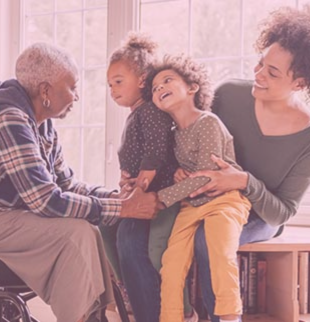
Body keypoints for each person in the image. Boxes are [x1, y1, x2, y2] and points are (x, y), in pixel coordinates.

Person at [117, 4, 310, 322]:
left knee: (209, 241)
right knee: (131, 230)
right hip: (196, 195)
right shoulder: (228, 94)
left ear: (299, 83)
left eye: (272, 73)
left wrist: (242, 181)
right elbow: (183, 130)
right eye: (260, 64)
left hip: (256, 212)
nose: (258, 75)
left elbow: (282, 210)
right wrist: (166, 169)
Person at [0, 42, 162, 322]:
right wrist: (125, 210)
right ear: (45, 91)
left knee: (86, 229)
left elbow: (65, 185)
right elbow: (45, 200)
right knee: (74, 233)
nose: (76, 97)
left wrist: (116, 198)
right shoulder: (7, 118)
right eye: (72, 87)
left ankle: (95, 316)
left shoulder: (42, 124)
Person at [148, 54, 252, 322]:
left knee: (220, 253)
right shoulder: (172, 134)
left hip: (224, 200)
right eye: (155, 87)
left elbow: (206, 177)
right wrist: (174, 172)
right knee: (170, 266)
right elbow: (178, 171)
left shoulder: (207, 122)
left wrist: (159, 199)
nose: (159, 88)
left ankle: (230, 317)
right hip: (190, 206)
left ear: (192, 88)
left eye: (167, 81)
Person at [102, 32, 195, 319]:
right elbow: (134, 155)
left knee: (130, 242)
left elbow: (155, 151)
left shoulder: (151, 112)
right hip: (141, 192)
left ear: (142, 80)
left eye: (118, 81)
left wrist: (138, 188)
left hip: (157, 193)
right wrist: (125, 180)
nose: (112, 89)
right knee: (111, 230)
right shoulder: (136, 115)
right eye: (109, 84)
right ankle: (132, 298)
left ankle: (149, 313)